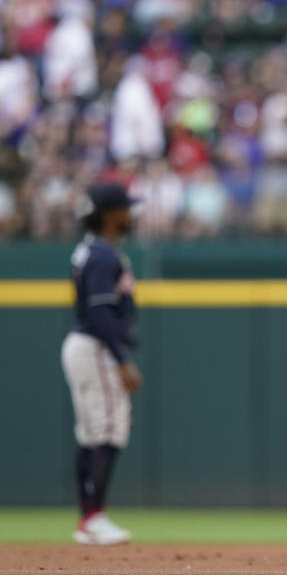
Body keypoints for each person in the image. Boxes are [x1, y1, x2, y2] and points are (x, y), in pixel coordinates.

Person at [62, 183, 144, 545]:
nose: (130, 214)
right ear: (110, 214)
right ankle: (93, 517)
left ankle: (89, 519)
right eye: (125, 208)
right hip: (95, 346)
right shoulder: (102, 255)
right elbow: (98, 312)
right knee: (109, 429)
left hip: (86, 345)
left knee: (93, 433)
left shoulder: (95, 251)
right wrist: (122, 359)